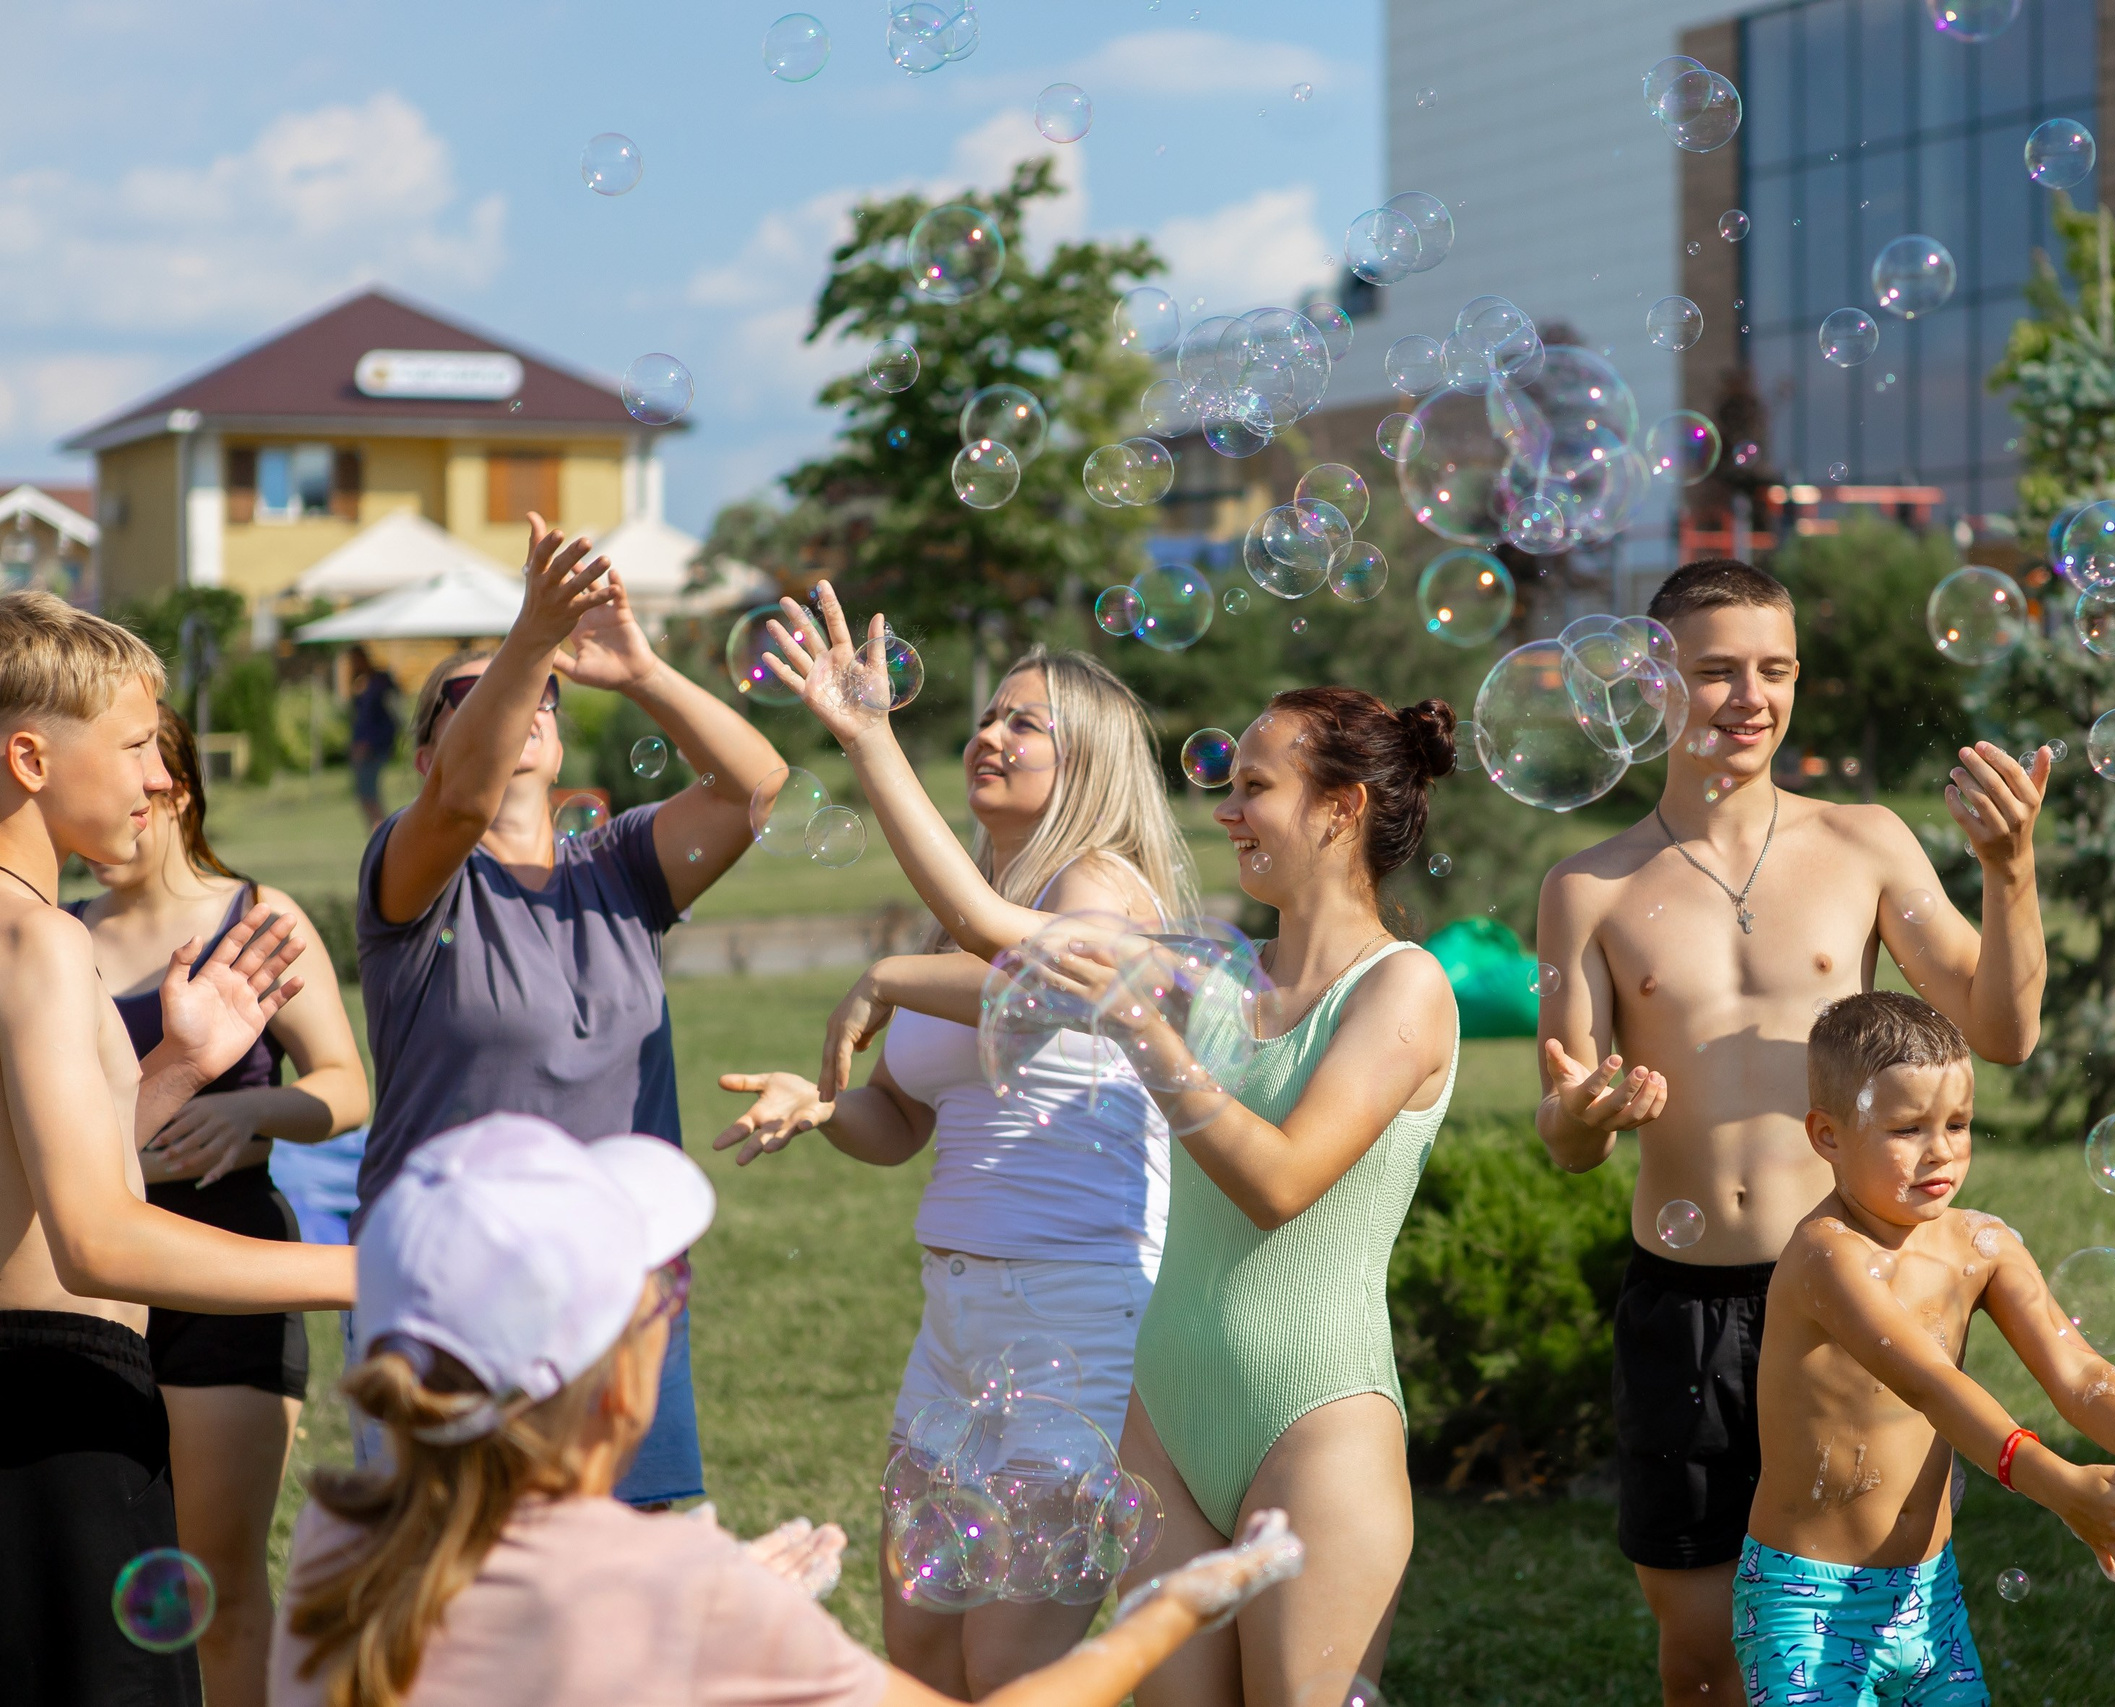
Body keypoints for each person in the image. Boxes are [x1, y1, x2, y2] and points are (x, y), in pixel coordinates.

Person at [753, 589, 1460, 1707]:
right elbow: (996, 936)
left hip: (1304, 1408)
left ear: (1339, 812)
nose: (1225, 815)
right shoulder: (1220, 973)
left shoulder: (1403, 986)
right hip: (1164, 1412)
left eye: (1255, 790)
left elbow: (1280, 1182)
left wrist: (1142, 1030)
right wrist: (867, 738)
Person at [270, 1111, 1307, 1707]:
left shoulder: (341, 1534)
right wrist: (1171, 1607)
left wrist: (717, 1600)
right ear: (614, 1383)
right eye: (661, 1298)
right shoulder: (669, 1590)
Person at [1533, 558, 2050, 1707]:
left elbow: (2000, 1029)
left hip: (1858, 1294)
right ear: (1651, 684)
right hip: (1688, 1307)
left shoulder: (1861, 844)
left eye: (1772, 670)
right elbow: (1566, 1136)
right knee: (1704, 1660)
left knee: (1858, 1639)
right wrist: (1579, 1117)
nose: (1747, 698)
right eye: (1714, 672)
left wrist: (2009, 869)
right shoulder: (1589, 889)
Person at [712, 642, 1198, 1696]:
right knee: (921, 1662)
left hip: (1073, 1317)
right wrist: (825, 1106)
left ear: (1093, 764)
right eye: (990, 716)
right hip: (954, 1324)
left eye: (1026, 724)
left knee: (1004, 1673)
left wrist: (882, 963)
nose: (990, 736)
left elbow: (1046, 984)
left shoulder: (1101, 886)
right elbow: (899, 1121)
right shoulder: (968, 904)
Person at [355, 515, 785, 1509]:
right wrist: (529, 632)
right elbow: (461, 808)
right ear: (429, 758)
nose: (523, 693)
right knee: (457, 1608)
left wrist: (637, 669)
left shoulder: (622, 866)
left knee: (617, 1601)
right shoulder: (415, 874)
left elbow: (757, 791)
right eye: (474, 694)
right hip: (451, 1296)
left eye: (541, 685)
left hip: (620, 1288)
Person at [0, 589, 353, 1707]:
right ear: (29, 759)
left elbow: (33, 1187)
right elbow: (97, 1240)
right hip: (53, 1422)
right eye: (139, 744)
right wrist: (384, 1271)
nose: (164, 777)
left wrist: (174, 1075)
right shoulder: (40, 943)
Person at [1738, 991, 2115, 1706]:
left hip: (1930, 1596)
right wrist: (2060, 1487)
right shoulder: (1825, 1255)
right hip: (1806, 1599)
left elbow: (2078, 1371)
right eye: (1907, 1128)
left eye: (1958, 1122)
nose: (1941, 1150)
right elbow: (1931, 1384)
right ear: (1827, 1134)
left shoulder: (1982, 1244)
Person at [69, 704, 372, 1707]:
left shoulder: (257, 916)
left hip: (232, 1270)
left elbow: (345, 1084)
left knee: (216, 1583)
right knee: (97, 1580)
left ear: (177, 791)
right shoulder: (56, 936)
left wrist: (257, 1114)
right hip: (91, 1291)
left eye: (139, 790)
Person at [345, 646, 398, 830]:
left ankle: (382, 835)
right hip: (362, 747)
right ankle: (378, 835)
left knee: (369, 795)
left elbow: (391, 718)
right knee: (363, 795)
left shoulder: (381, 683)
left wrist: (371, 744)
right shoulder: (361, 683)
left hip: (373, 749)